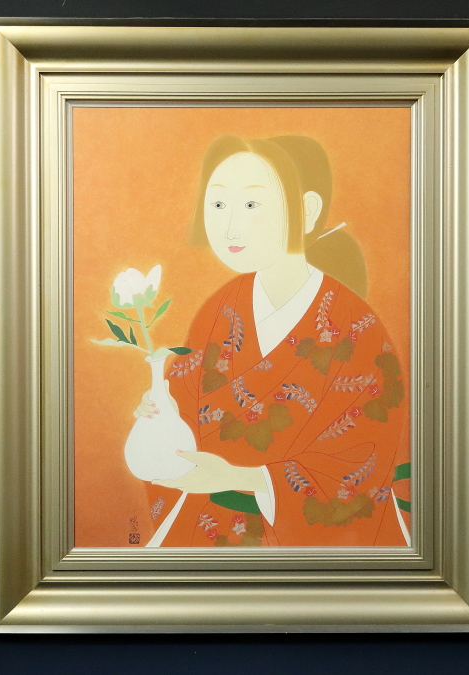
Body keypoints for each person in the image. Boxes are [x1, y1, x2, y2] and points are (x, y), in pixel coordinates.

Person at [137, 135, 410, 547]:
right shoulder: (219, 308)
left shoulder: (357, 327)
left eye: (251, 204)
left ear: (307, 211)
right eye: (218, 204)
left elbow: (361, 459)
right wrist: (163, 413)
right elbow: (187, 403)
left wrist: (241, 477)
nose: (230, 226)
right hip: (208, 524)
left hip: (304, 543)